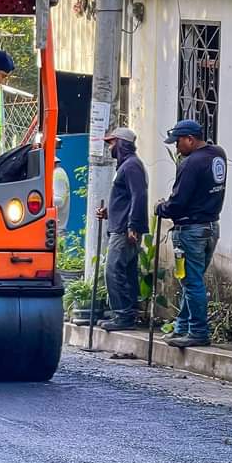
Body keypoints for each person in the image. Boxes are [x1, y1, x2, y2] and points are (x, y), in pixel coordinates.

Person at [155, 119, 227, 348]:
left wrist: (161, 208)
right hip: (211, 227)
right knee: (193, 281)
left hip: (191, 231)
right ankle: (182, 327)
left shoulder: (191, 164)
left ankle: (197, 331)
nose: (176, 147)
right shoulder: (218, 154)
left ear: (190, 139)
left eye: (178, 142)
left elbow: (177, 203)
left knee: (191, 282)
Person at [95, 127, 148, 331]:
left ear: (121, 144)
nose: (110, 147)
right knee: (127, 270)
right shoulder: (127, 166)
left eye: (112, 142)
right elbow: (127, 198)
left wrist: (133, 225)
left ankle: (123, 315)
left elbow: (139, 195)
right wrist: (110, 212)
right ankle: (127, 313)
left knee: (113, 270)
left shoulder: (131, 166)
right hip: (121, 225)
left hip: (124, 229)